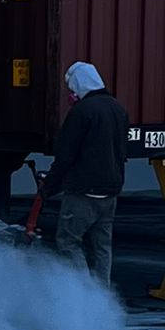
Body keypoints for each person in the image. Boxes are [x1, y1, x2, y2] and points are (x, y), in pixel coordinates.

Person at [42, 59, 130, 290]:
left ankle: (83, 296)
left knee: (69, 241)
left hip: (83, 191)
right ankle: (103, 298)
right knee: (101, 247)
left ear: (80, 84)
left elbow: (65, 155)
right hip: (110, 191)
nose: (71, 95)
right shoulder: (117, 108)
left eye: (72, 89)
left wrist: (48, 186)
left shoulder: (82, 112)